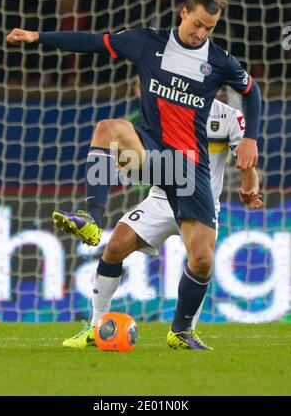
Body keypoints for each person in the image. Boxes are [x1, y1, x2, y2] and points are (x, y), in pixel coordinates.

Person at [7, 0, 262, 350]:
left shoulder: (219, 61)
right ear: (183, 11)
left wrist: (250, 138)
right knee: (108, 130)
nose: (202, 33)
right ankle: (91, 219)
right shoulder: (147, 42)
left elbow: (252, 93)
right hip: (154, 156)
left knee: (202, 260)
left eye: (210, 28)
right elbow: (93, 42)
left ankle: (181, 331)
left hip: (189, 172)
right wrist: (37, 36)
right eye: (198, 24)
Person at [61, 97, 264, 350]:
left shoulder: (230, 117)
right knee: (114, 248)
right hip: (161, 197)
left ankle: (181, 332)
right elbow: (147, 158)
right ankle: (95, 326)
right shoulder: (167, 110)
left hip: (201, 203)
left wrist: (251, 187)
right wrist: (129, 164)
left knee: (202, 261)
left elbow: (247, 164)